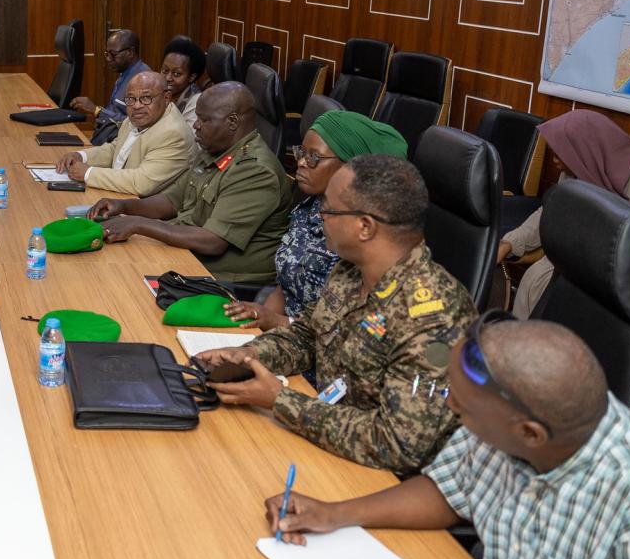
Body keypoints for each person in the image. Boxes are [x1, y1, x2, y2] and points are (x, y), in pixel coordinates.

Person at [264, 317, 630, 559]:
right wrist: (334, 514)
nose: (448, 406)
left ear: (530, 434)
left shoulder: (629, 508)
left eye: (461, 409)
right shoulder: (518, 420)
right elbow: (449, 487)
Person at [198, 156, 476, 474]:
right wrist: (247, 356)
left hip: (384, 478)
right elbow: (307, 336)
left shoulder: (434, 316)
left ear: (365, 227)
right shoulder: (351, 269)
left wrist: (281, 400)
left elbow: (398, 445)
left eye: (329, 209)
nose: (320, 216)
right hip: (327, 440)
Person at [225, 110, 409, 331]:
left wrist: (277, 323)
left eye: (314, 157)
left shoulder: (365, 235)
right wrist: (257, 331)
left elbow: (357, 331)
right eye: (301, 152)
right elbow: (284, 288)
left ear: (351, 168)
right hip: (284, 339)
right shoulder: (308, 208)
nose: (301, 162)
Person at [89, 82, 291, 283]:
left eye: (204, 119)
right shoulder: (215, 150)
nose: (196, 125)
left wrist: (137, 224)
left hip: (219, 277)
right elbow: (171, 201)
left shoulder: (254, 171)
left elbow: (213, 242)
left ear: (232, 122)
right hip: (186, 254)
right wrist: (124, 206)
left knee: (115, 277)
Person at [499, 110, 630, 318]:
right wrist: (510, 243)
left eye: (559, 153)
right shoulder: (577, 165)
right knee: (534, 279)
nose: (555, 161)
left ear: (585, 149)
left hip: (617, 274)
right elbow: (551, 213)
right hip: (579, 255)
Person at [54, 71, 194, 196]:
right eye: (131, 99)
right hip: (121, 197)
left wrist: (88, 173)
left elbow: (141, 183)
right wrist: (81, 156)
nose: (137, 106)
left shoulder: (173, 134)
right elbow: (116, 149)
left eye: (146, 98)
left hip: (148, 210)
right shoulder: (140, 117)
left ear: (166, 98)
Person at [67, 29, 152, 137]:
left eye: (113, 54)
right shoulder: (125, 73)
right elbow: (115, 110)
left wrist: (97, 111)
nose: (108, 59)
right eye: (107, 54)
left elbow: (136, 123)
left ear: (130, 52)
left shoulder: (143, 80)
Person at [160, 35, 207, 127]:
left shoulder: (196, 102)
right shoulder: (157, 89)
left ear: (191, 77)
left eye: (176, 74)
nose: (168, 78)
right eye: (165, 71)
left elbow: (187, 135)